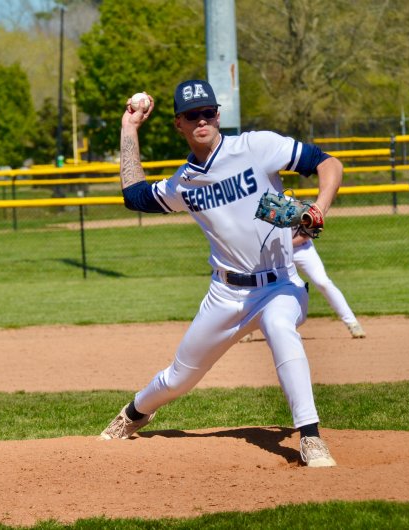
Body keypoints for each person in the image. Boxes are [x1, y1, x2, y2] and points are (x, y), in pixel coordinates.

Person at [98, 79, 343, 468]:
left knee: (281, 328)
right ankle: (134, 413)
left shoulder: (255, 147)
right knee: (179, 378)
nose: (202, 120)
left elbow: (328, 163)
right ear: (178, 123)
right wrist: (129, 129)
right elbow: (134, 196)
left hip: (280, 282)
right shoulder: (184, 183)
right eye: (192, 115)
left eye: (208, 112)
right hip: (225, 294)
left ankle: (310, 436)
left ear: (217, 115)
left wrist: (320, 208)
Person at [292, 232, 365, 338]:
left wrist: (288, 244)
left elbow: (312, 229)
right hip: (276, 251)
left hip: (302, 248)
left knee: (323, 282)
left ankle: (352, 323)